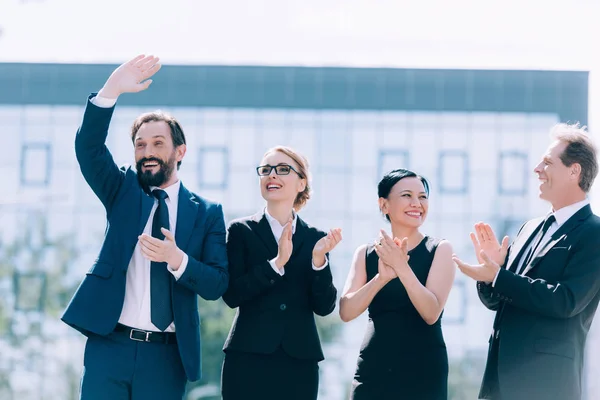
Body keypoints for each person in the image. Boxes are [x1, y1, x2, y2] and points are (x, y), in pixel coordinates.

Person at [61, 55, 229, 400]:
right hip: (111, 345)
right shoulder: (122, 191)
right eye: (140, 144)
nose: (147, 152)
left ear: (180, 151)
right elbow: (88, 148)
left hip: (166, 356)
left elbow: (217, 284)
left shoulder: (208, 213)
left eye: (157, 144)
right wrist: (111, 90)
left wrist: (178, 259)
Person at [453, 123, 600, 400]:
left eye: (547, 162)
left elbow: (566, 301)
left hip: (545, 383)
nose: (537, 169)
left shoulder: (594, 233)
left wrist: (499, 276)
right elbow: (499, 300)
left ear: (574, 170)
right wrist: (490, 276)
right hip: (497, 381)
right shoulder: (529, 228)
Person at [220, 145, 341, 400]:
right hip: (247, 357)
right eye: (266, 170)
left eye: (283, 169)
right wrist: (275, 264)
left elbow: (324, 306)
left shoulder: (315, 239)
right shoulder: (241, 231)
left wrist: (318, 260)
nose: (272, 175)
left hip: (299, 361)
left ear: (301, 183)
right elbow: (232, 295)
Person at [339, 168, 455, 400]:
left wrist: (401, 268)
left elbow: (431, 312)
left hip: (423, 370)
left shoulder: (440, 249)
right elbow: (346, 311)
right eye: (407, 195)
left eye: (422, 197)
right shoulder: (365, 254)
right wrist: (381, 278)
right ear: (384, 205)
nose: (417, 203)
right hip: (374, 367)